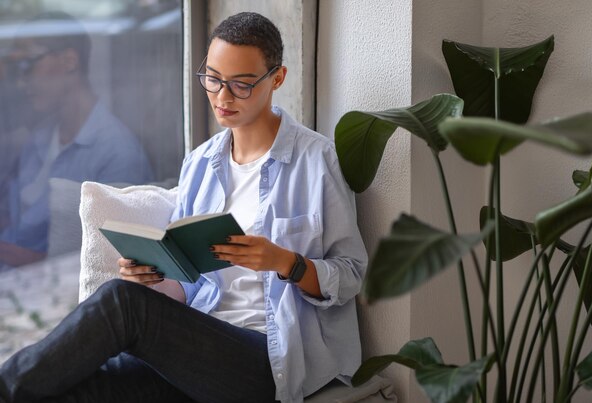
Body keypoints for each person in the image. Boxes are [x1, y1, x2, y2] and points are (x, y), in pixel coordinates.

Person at [0, 11, 367, 403]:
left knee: (121, 303)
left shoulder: (317, 160)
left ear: (277, 78)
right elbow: (188, 287)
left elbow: (350, 275)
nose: (222, 97)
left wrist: (283, 262)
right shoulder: (200, 164)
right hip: (197, 354)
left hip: (268, 362)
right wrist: (152, 275)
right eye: (212, 79)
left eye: (241, 85)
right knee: (78, 386)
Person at [0, 11, 154, 267]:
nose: (21, 81)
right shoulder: (39, 137)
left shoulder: (117, 153)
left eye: (27, 64)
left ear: (70, 61)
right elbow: (15, 220)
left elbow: (108, 262)